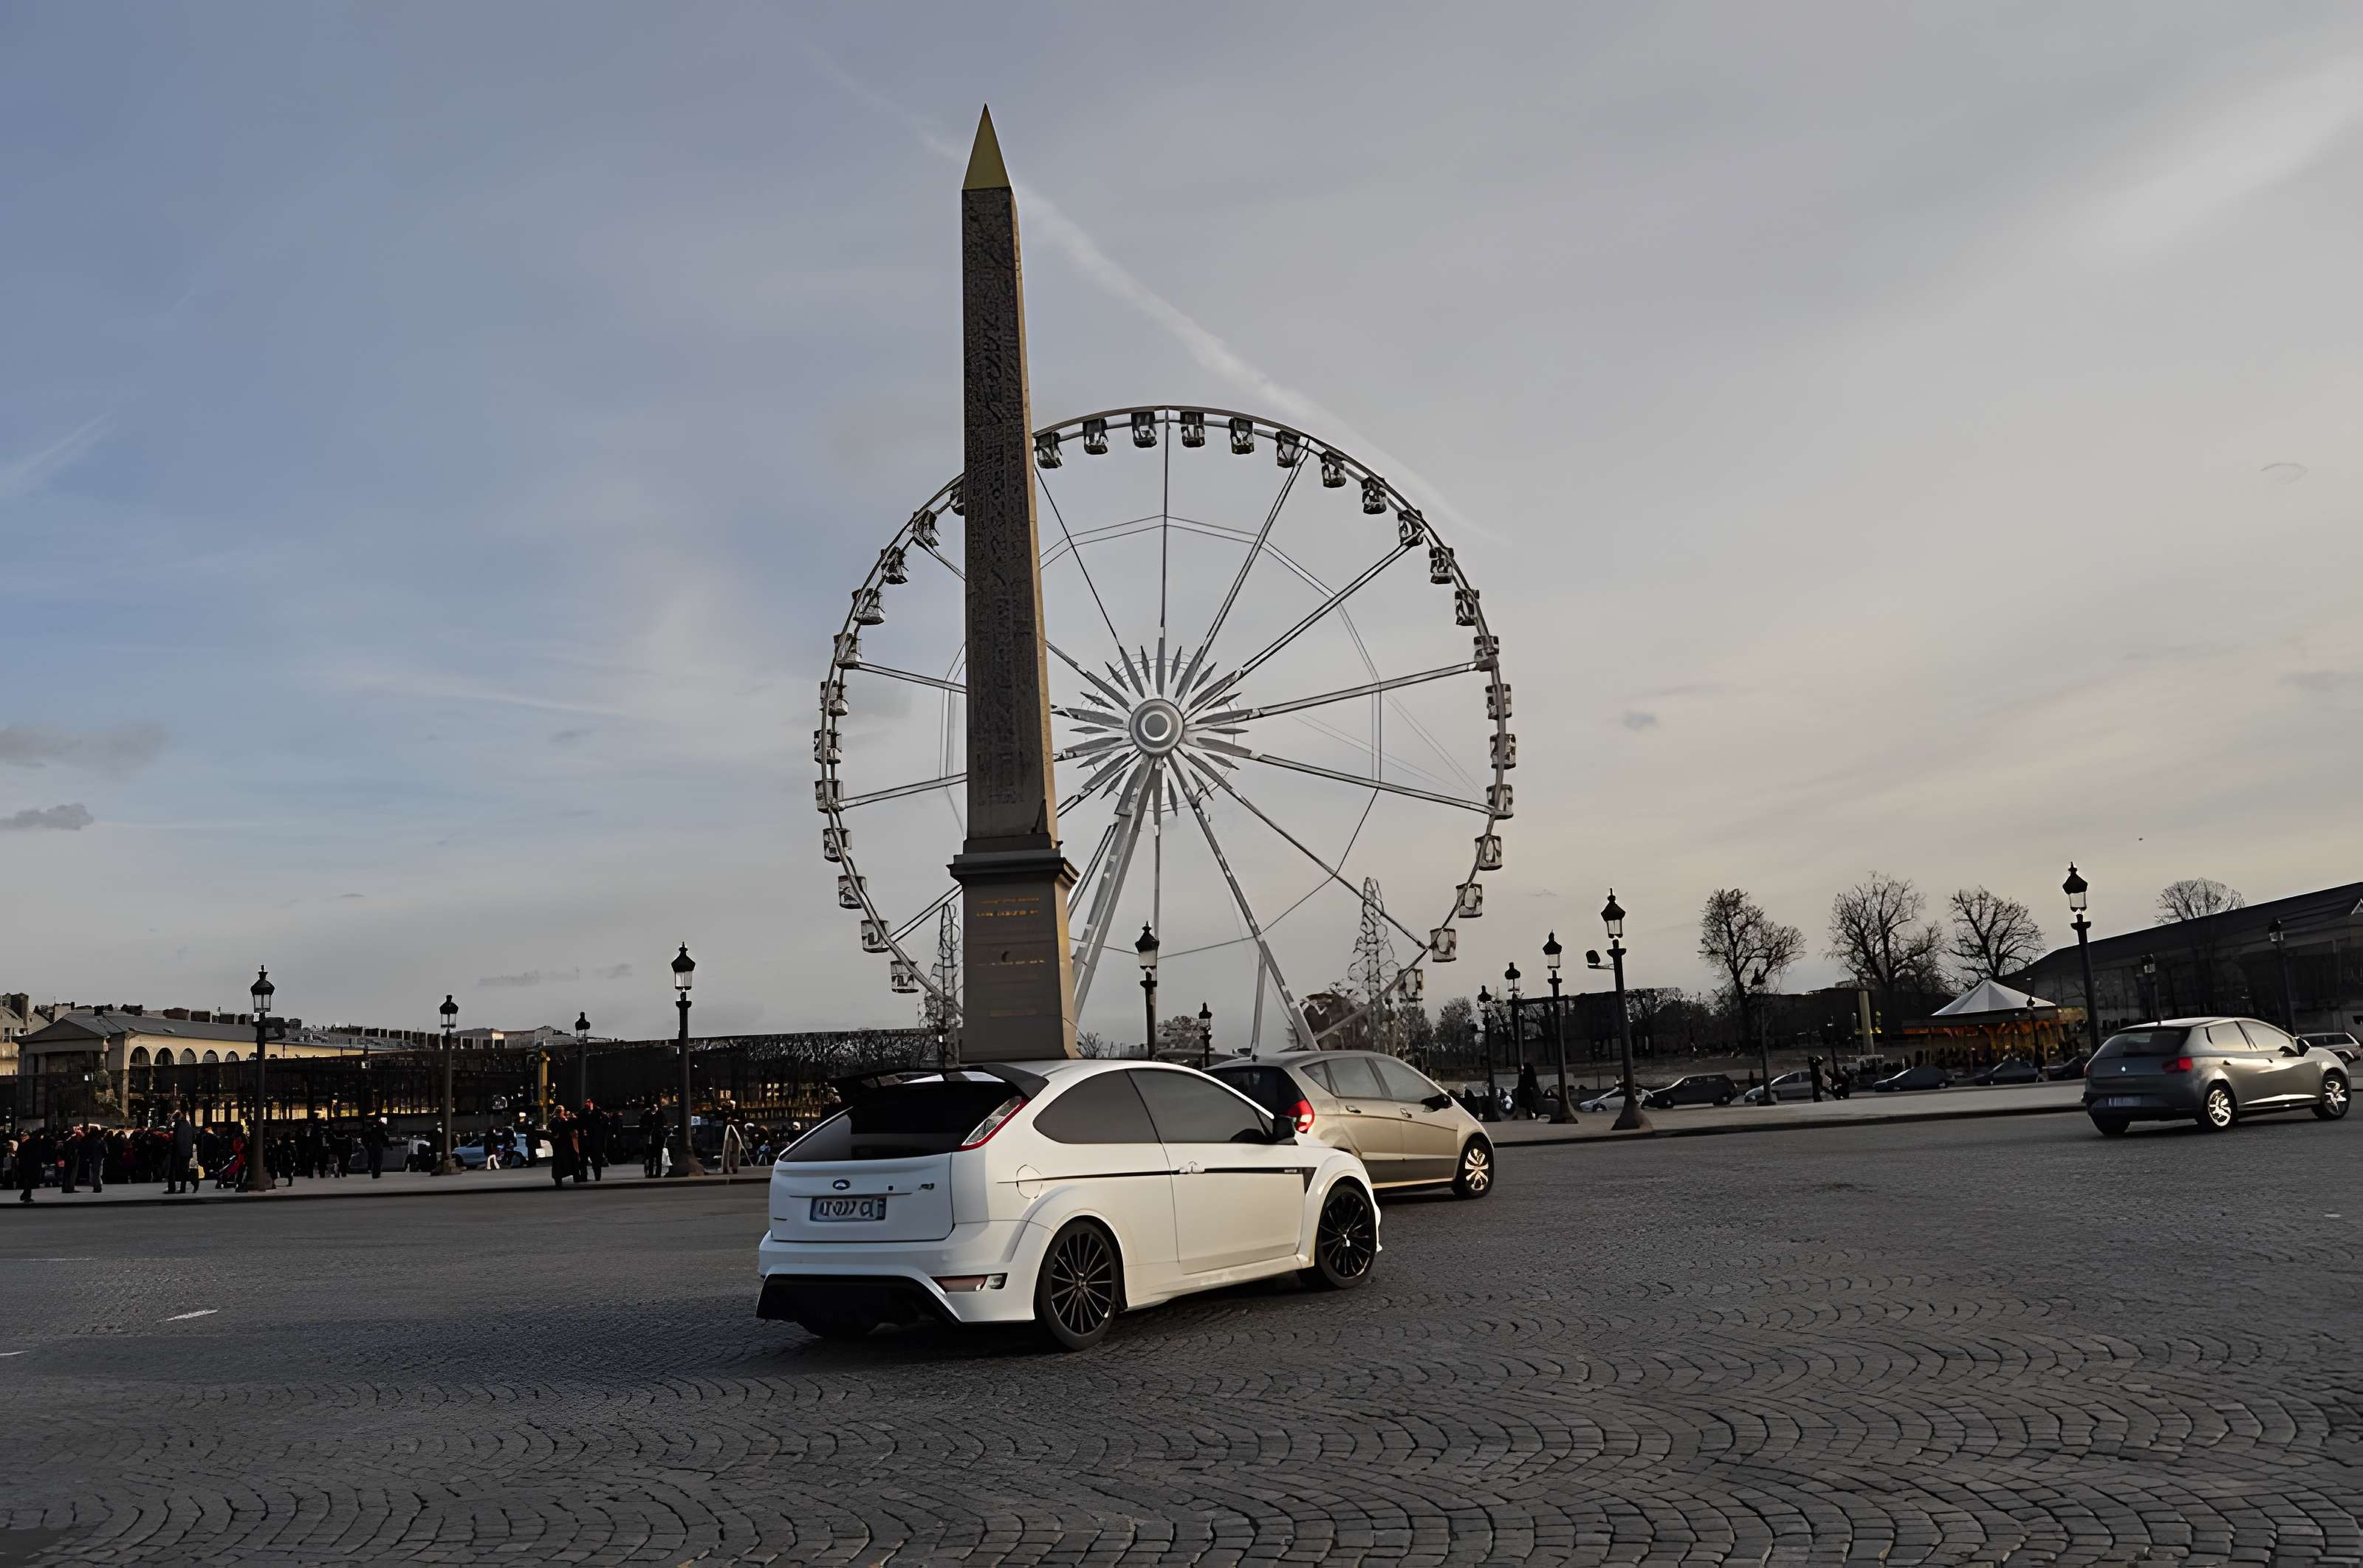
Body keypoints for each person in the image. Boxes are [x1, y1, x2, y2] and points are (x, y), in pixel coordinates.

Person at [548, 1107, 579, 1188]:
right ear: (561, 1112)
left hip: (559, 1145)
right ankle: (575, 1178)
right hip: (565, 1144)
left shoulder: (555, 1121)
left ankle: (559, 1180)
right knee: (571, 1160)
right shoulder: (563, 1120)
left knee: (559, 1163)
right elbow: (570, 1127)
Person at [169, 1110, 197, 1194]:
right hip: (187, 1151)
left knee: (174, 1169)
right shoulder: (188, 1125)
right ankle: (183, 1188)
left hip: (179, 1151)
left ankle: (172, 1188)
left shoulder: (178, 1125)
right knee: (184, 1170)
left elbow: (176, 1139)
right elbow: (193, 1138)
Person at [578, 1101, 606, 1183]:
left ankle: (597, 1177)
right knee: (584, 1160)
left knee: (595, 1160)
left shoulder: (597, 1111)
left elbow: (604, 1121)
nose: (588, 1104)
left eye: (590, 1102)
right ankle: (584, 1177)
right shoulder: (583, 1112)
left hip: (593, 1139)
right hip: (586, 1140)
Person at [16, 1127, 47, 1203]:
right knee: (30, 1180)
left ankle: (26, 1195)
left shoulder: (25, 1144)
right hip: (32, 1164)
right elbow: (38, 1154)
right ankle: (26, 1196)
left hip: (25, 1164)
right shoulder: (36, 1142)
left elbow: (19, 1154)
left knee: (28, 1180)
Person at [638, 1100, 663, 1177]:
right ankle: (651, 1173)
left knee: (656, 1157)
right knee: (651, 1156)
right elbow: (642, 1125)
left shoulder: (659, 1114)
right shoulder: (648, 1114)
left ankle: (656, 1173)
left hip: (656, 1138)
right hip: (652, 1138)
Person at [362, 1115, 390, 1180]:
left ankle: (374, 1173)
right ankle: (377, 1173)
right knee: (378, 1160)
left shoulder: (369, 1131)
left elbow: (365, 1139)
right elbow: (384, 1137)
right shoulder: (380, 1129)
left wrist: (367, 1146)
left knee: (374, 1160)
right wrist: (388, 1145)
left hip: (372, 1146)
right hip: (378, 1146)